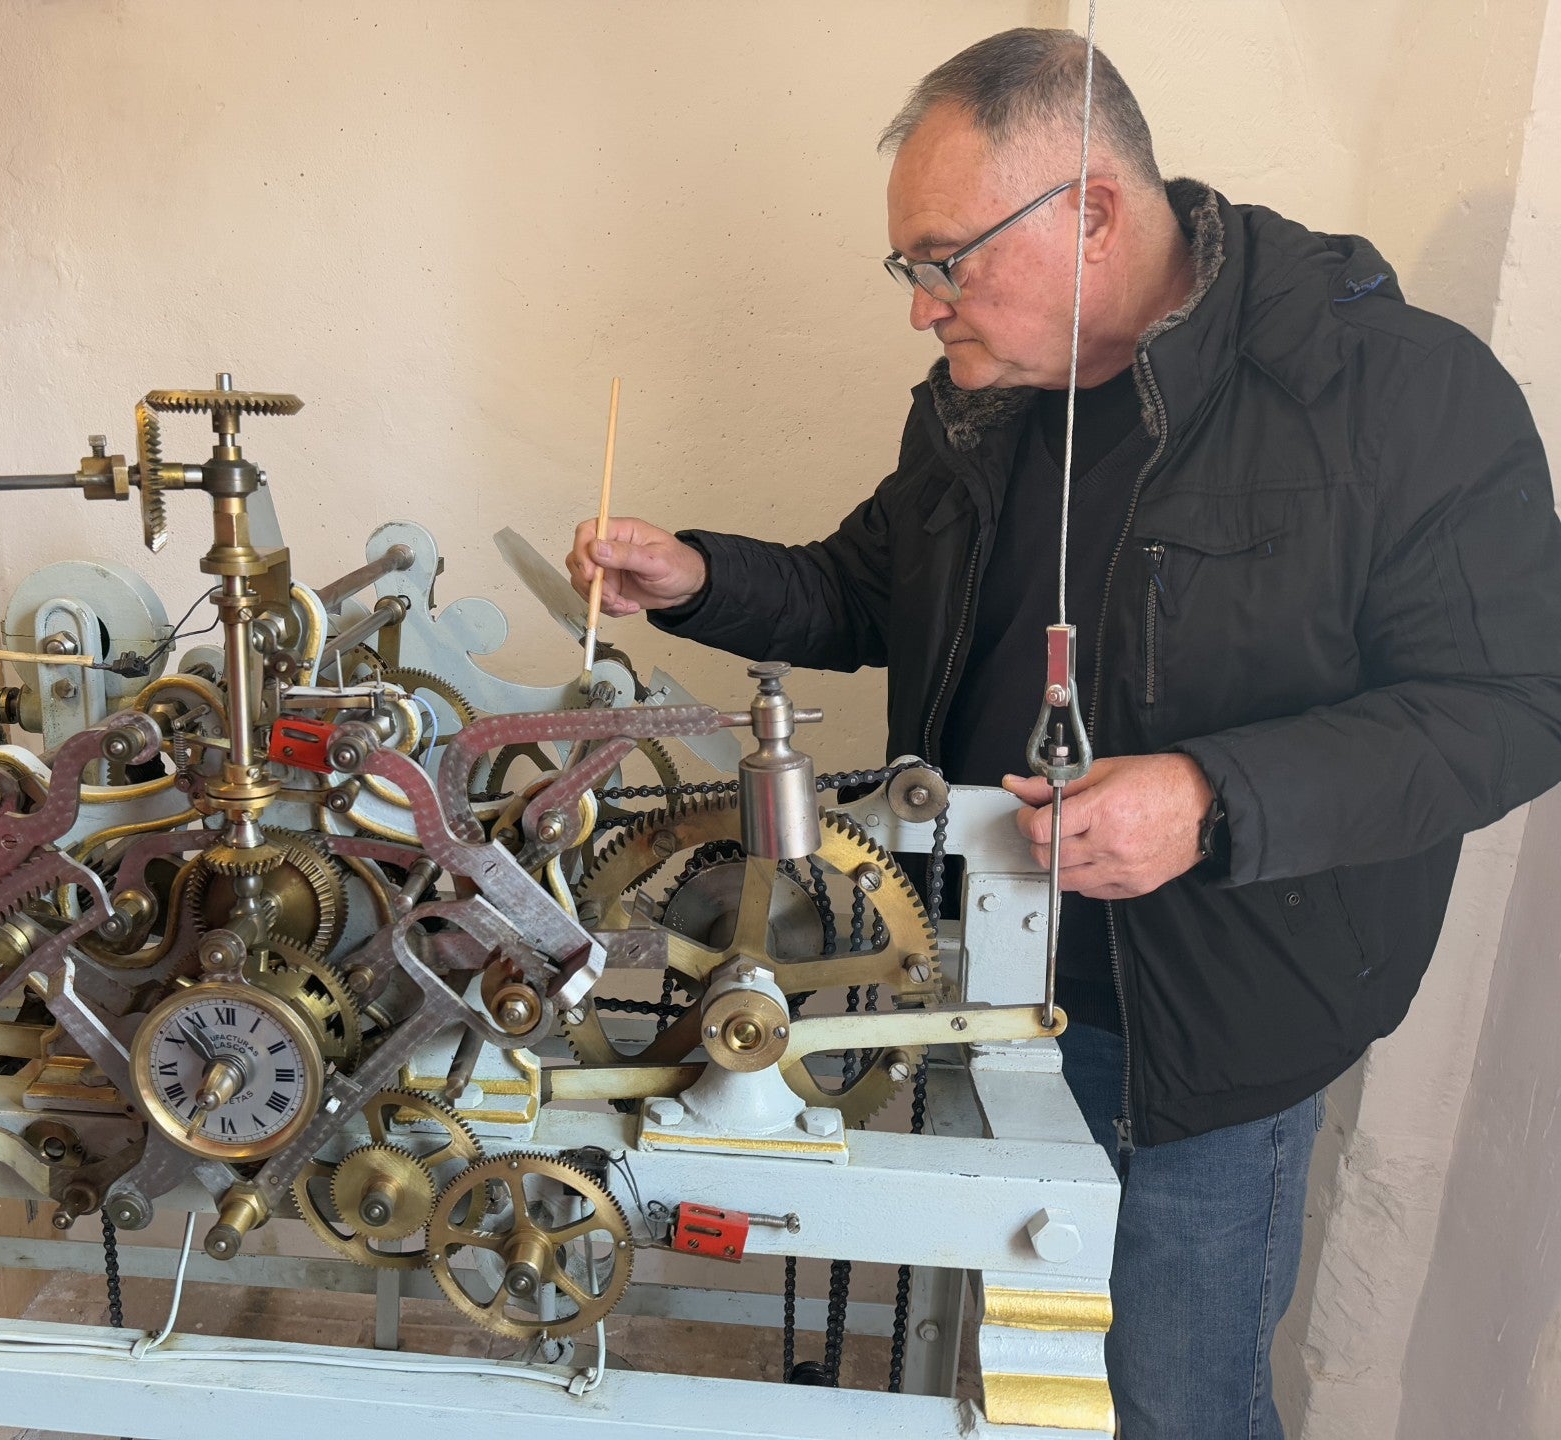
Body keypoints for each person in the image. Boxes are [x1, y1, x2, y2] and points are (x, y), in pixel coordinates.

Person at [564, 27, 1561, 1440]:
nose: (924, 310)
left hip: (1202, 1035)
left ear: (1089, 211)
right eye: (911, 270)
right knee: (1002, 1375)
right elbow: (876, 586)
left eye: (940, 260)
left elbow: (1513, 708)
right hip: (975, 980)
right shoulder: (988, 395)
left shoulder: (1398, 396)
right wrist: (704, 579)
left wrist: (1214, 800)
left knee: (1172, 1400)